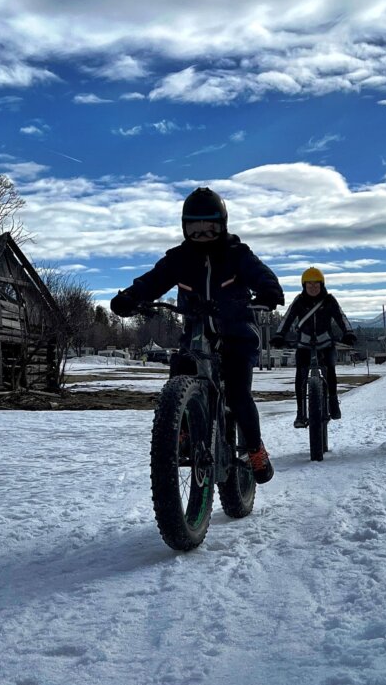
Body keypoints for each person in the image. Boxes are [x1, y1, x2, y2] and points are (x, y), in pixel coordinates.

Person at [109, 187, 285, 483]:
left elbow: (260, 273)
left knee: (239, 393)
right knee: (179, 371)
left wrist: (269, 290)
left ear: (223, 226)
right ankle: (180, 432)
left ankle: (255, 449)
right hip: (194, 334)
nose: (202, 235)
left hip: (236, 334)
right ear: (184, 227)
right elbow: (153, 281)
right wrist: (130, 296)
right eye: (195, 228)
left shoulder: (237, 254)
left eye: (210, 228)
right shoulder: (178, 259)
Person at [270, 267, 357, 427]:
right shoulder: (299, 301)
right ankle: (300, 412)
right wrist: (279, 334)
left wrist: (349, 332)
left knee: (330, 370)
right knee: (300, 375)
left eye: (316, 284)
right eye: (309, 284)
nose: (313, 287)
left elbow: (341, 317)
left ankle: (333, 402)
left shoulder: (329, 300)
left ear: (322, 284)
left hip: (325, 343)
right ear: (304, 285)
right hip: (304, 343)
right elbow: (287, 318)